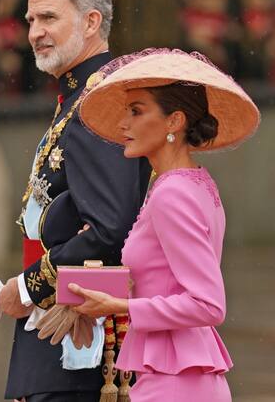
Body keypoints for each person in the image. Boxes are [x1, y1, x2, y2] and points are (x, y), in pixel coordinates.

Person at [57, 48, 260, 402]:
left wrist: (118, 306)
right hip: (181, 374)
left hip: (175, 382)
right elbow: (167, 278)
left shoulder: (173, 194)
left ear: (174, 122)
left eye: (136, 112)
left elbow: (208, 304)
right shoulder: (193, 182)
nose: (123, 125)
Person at [0, 0, 151, 402]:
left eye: (48, 18)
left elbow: (109, 228)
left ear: (91, 21)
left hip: (80, 335)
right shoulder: (80, 94)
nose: (34, 32)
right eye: (30, 21)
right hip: (59, 325)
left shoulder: (99, 101)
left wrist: (27, 286)